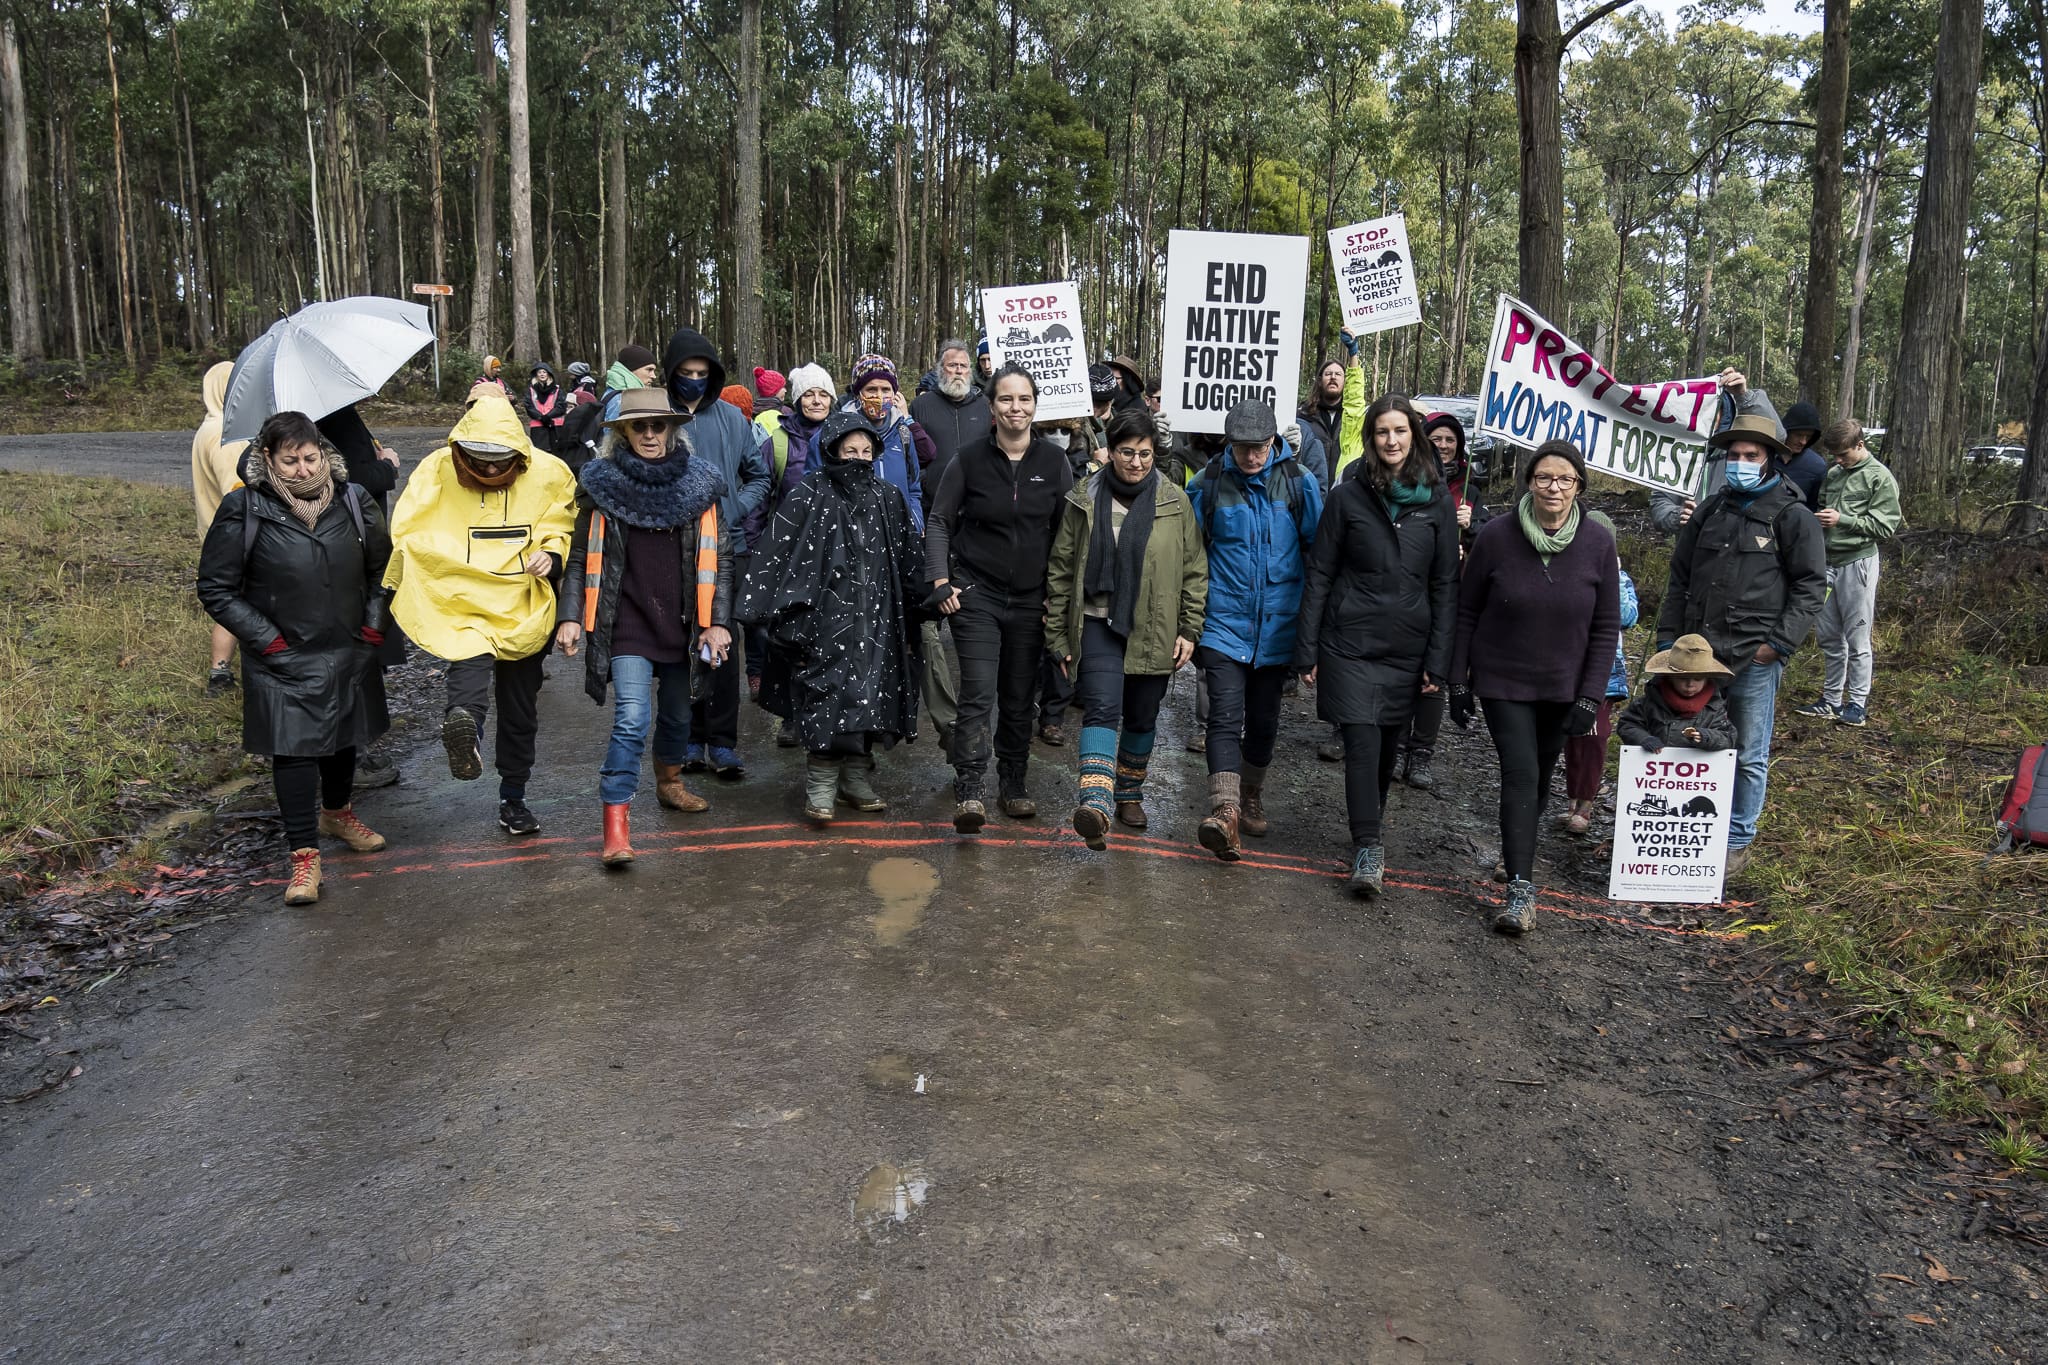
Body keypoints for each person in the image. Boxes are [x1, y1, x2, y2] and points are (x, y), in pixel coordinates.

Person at [196, 412, 390, 906]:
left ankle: (338, 812)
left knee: (345, 736)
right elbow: (216, 588)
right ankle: (304, 856)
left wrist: (371, 627)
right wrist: (268, 641)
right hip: (281, 653)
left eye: (310, 457)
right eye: (290, 461)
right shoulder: (244, 507)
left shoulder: (354, 500)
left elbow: (383, 572)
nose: (303, 470)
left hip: (349, 643)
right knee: (295, 750)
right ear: (267, 459)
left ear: (323, 453)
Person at [554, 389, 735, 866]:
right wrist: (570, 616)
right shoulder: (601, 484)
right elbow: (579, 558)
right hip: (626, 620)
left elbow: (722, 559)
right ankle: (615, 823)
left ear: (672, 429)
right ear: (623, 432)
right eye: (640, 427)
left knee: (677, 717)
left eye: (658, 426)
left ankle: (670, 782)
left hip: (682, 622)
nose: (650, 434)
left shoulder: (701, 483)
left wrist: (717, 622)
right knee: (633, 718)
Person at [384, 392, 577, 836]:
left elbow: (559, 520)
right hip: (465, 599)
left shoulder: (549, 472)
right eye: (480, 459)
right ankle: (464, 728)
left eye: (501, 461)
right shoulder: (437, 470)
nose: (490, 470)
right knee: (466, 666)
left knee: (519, 705)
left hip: (524, 603)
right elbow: (412, 526)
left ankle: (514, 795)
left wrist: (551, 554)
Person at [1449, 439, 1621, 934]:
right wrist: (1458, 680)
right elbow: (1466, 610)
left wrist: (1591, 695)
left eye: (1565, 479)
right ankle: (1521, 891)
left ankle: (1514, 849)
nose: (1554, 487)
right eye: (1544, 477)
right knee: (1521, 774)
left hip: (1564, 685)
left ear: (1579, 487)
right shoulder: (1497, 536)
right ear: (1528, 482)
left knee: (1542, 774)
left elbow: (1607, 624)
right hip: (1503, 679)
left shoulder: (1598, 542)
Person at [1296, 394, 1455, 897]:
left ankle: (1372, 826)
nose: (1391, 441)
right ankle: (1368, 845)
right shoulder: (1347, 497)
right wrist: (1308, 648)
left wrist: (1440, 658)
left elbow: (1446, 584)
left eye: (1400, 432)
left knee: (1387, 746)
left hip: (1407, 645)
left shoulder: (1437, 500)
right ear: (1370, 439)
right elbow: (1320, 571)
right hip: (1349, 642)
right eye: (1382, 432)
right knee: (1361, 742)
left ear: (1415, 437)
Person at [1654, 413, 1827, 876]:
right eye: (1734, 455)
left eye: (1751, 455)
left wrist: (1778, 645)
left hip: (1754, 655)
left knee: (1747, 750)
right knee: (1687, 741)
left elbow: (1811, 585)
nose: (1741, 462)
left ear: (1771, 459)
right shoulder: (1711, 510)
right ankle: (1681, 829)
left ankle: (1735, 839)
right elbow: (1680, 578)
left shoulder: (1794, 515)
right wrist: (1669, 638)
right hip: (1696, 655)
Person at [741, 410, 926, 823]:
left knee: (873, 693)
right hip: (822, 619)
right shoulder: (809, 493)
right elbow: (777, 549)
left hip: (877, 616)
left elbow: (909, 556)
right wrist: (767, 611)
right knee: (825, 694)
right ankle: (821, 785)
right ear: (832, 451)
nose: (858, 458)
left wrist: (925, 602)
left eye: (866, 450)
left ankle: (856, 778)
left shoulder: (888, 496)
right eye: (849, 450)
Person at [1044, 407, 1207, 847]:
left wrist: (1189, 629)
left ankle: (1129, 793)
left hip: (1154, 625)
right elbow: (1060, 569)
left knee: (1142, 714)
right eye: (1127, 452)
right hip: (1097, 622)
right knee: (1101, 706)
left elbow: (1194, 568)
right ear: (1110, 452)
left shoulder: (1175, 501)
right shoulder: (1084, 497)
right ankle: (1095, 803)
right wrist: (1058, 635)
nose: (1136, 462)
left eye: (1145, 454)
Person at [925, 364, 1075, 830]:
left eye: (1024, 399)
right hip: (978, 595)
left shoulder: (1054, 463)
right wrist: (940, 582)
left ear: (1035, 405)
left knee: (1017, 697)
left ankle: (1014, 782)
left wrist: (1060, 596)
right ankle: (970, 788)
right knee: (978, 692)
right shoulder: (969, 459)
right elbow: (939, 522)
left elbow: (1068, 534)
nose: (1016, 408)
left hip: (1032, 601)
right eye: (1006, 400)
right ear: (991, 407)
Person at [1187, 400, 1323, 860]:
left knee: (1264, 721)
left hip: (1279, 627)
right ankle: (1224, 811)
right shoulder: (1206, 485)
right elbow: (1188, 554)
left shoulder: (1300, 484)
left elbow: (1319, 554)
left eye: (1260, 448)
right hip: (1223, 622)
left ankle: (1250, 795)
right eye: (1243, 449)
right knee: (1224, 716)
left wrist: (1312, 630)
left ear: (1274, 442)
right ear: (1230, 444)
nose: (1251, 458)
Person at [660, 327, 773, 777]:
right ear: (672, 374)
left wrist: (733, 507)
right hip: (669, 545)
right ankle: (687, 737)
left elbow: (758, 476)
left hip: (730, 546)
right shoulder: (656, 415)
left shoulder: (732, 417)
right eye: (685, 373)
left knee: (723, 640)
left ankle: (723, 742)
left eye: (702, 373)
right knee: (679, 642)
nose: (693, 380)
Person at [907, 340, 988, 750]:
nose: (957, 371)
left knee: (974, 620)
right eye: (950, 365)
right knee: (927, 621)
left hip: (976, 529)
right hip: (929, 525)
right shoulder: (921, 407)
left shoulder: (986, 406)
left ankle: (975, 719)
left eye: (962, 365)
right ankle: (947, 722)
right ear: (939, 369)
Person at [1794, 418, 1902, 728]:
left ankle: (1857, 704)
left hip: (1859, 563)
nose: (1839, 460)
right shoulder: (1834, 474)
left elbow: (1886, 526)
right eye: (1835, 456)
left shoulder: (1879, 478)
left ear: (1860, 445)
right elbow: (1825, 506)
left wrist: (1843, 519)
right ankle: (1830, 700)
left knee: (1857, 636)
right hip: (1828, 563)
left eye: (1844, 454)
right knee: (1829, 635)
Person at [1648, 367, 1785, 531]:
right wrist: (1678, 515)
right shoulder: (1676, 453)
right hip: (1692, 548)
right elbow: (1660, 502)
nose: (1704, 417)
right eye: (1696, 412)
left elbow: (1777, 436)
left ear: (1724, 413)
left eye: (1711, 411)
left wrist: (1744, 396)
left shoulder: (1737, 450)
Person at [807, 353, 932, 532]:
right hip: (851, 538)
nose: (879, 396)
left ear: (895, 392)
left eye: (886, 389)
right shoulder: (830, 436)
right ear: (858, 393)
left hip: (898, 536)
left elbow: (913, 488)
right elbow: (815, 492)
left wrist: (915, 523)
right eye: (871, 389)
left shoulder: (903, 434)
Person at [1558, 557, 1637, 835]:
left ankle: (1586, 804)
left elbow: (1627, 617)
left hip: (1605, 672)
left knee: (1595, 736)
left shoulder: (1621, 579)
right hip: (1568, 667)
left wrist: (1611, 577)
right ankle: (1571, 799)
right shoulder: (1568, 570)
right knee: (1572, 736)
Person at [191, 361, 250, 697]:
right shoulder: (224, 436)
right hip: (233, 535)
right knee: (236, 603)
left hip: (216, 530)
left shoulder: (207, 428)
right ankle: (220, 673)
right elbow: (238, 489)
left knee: (233, 600)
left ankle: (221, 671)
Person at [1616, 635, 1737, 754]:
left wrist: (1706, 737)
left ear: (1707, 680)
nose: (1690, 684)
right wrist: (1643, 738)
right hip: (1653, 768)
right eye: (1682, 678)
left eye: (1698, 679)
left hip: (1697, 771)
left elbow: (1728, 737)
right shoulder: (1649, 702)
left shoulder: (1714, 708)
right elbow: (1628, 725)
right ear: (1670, 677)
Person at [1777, 401, 1830, 510]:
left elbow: (1816, 506)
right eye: (1798, 435)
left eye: (1808, 436)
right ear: (1786, 431)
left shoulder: (1817, 466)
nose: (1803, 441)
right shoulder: (1765, 457)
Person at [1299, 359, 1346, 463]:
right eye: (1328, 374)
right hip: (1310, 477)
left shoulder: (1352, 417)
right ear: (1320, 381)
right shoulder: (1303, 414)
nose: (1333, 377)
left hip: (1345, 478)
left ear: (1345, 382)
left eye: (1338, 374)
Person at [524, 363, 567, 454]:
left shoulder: (557, 390)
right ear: (536, 375)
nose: (542, 374)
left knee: (557, 453)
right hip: (538, 426)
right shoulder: (531, 390)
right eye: (539, 372)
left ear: (549, 374)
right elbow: (529, 406)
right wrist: (541, 417)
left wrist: (548, 416)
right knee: (539, 453)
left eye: (544, 372)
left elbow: (561, 406)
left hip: (555, 425)